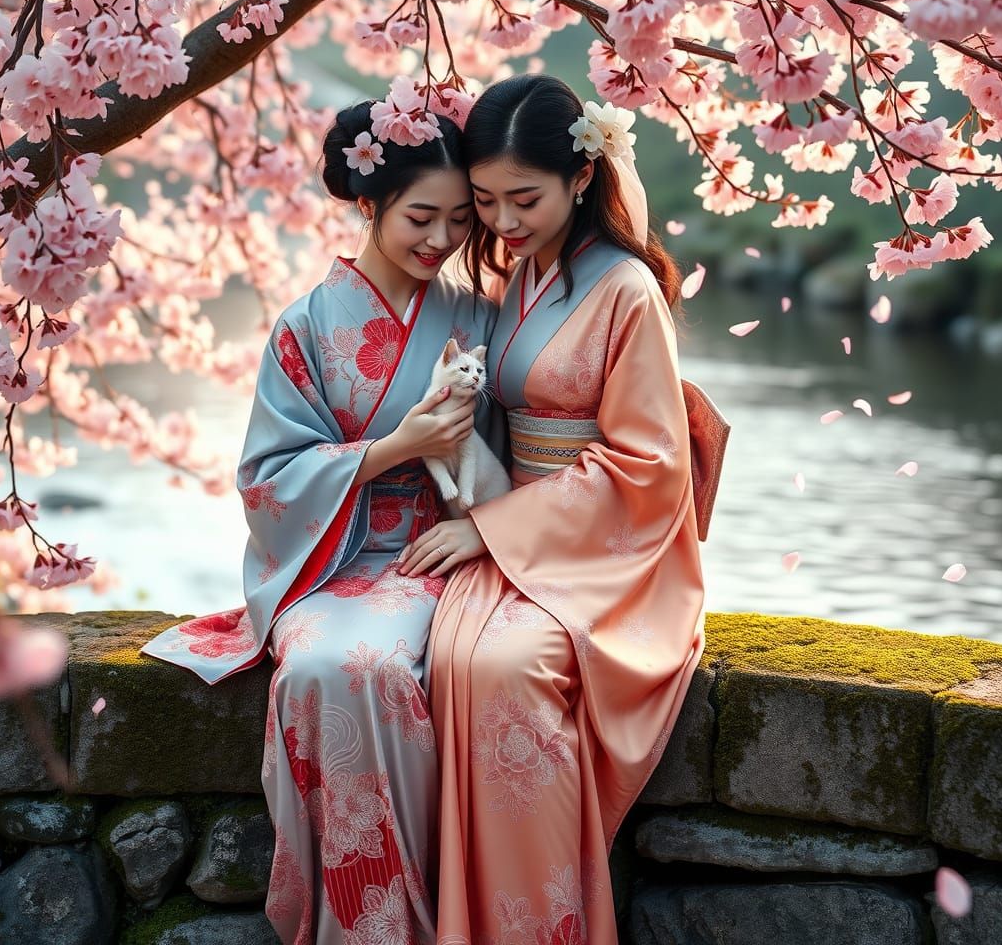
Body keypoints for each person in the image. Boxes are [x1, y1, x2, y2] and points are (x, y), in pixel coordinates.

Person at [140, 100, 503, 945]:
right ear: (368, 204)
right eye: (421, 216)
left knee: (374, 664)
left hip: (436, 553)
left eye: (459, 219)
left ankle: (421, 913)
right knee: (322, 668)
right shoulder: (307, 326)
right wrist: (393, 445)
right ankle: (365, 921)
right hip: (326, 561)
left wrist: (478, 520)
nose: (441, 239)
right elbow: (266, 480)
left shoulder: (478, 316)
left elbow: (512, 450)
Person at [398, 74, 725, 944]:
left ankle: (544, 925)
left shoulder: (626, 291)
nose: (501, 223)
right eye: (485, 201)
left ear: (582, 178)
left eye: (524, 199)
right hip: (523, 522)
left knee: (505, 667)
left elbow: (646, 462)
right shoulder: (523, 273)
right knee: (452, 655)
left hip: (610, 547)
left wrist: (486, 527)